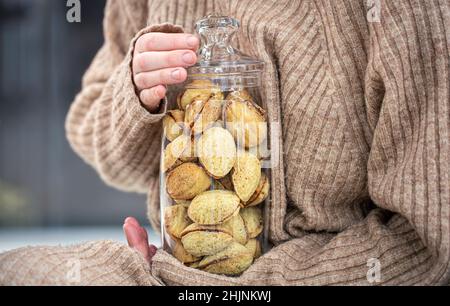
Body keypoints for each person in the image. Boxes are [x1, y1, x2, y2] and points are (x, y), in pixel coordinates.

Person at [0, 0, 449, 286]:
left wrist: (235, 291)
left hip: (329, 274)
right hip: (170, 269)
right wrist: (137, 92)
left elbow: (432, 249)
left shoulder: (406, 13)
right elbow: (92, 134)